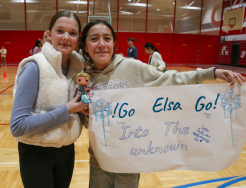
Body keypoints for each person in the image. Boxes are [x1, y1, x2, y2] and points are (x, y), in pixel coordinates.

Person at [80, 20, 245, 188]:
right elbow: (87, 124)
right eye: (94, 39)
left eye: (107, 38)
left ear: (114, 43)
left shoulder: (132, 67)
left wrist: (212, 72)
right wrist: (86, 113)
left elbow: (170, 79)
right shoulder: (84, 78)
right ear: (85, 46)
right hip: (99, 159)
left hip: (129, 156)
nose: (101, 44)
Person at [10, 10, 87, 188]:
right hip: (36, 153)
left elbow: (78, 112)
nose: (66, 37)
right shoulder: (34, 67)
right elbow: (17, 126)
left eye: (73, 33)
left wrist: (86, 111)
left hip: (67, 151)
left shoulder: (80, 70)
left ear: (78, 39)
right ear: (48, 35)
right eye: (60, 31)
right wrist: (67, 110)